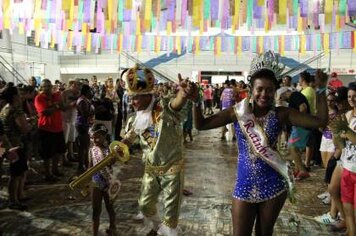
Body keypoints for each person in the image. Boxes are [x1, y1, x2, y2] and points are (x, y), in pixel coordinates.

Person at [192, 51, 328, 236]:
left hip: (273, 184)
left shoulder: (282, 114)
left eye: (269, 90)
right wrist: (195, 101)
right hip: (244, 184)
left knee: (265, 233)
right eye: (259, 89)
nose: (264, 94)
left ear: (275, 91)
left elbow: (320, 121)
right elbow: (201, 125)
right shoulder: (237, 112)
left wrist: (321, 90)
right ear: (251, 90)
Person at [120, 64, 195, 236]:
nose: (132, 102)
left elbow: (176, 104)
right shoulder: (135, 119)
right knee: (144, 205)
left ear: (147, 95)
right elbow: (127, 139)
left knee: (170, 217)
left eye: (135, 98)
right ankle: (156, 227)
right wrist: (117, 150)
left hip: (172, 171)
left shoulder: (165, 108)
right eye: (130, 98)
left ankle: (165, 230)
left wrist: (183, 94)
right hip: (150, 170)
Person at [330, 82, 356, 236]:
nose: (352, 99)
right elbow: (341, 145)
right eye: (349, 97)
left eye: (354, 96)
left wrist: (345, 130)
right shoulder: (347, 116)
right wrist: (335, 133)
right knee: (347, 209)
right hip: (347, 167)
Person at [0, 86, 32, 210]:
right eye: (19, 94)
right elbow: (24, 128)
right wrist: (31, 123)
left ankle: (19, 195)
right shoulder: (16, 110)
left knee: (19, 171)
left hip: (9, 144)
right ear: (14, 97)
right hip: (15, 144)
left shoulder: (5, 108)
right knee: (16, 174)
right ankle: (13, 200)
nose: (21, 96)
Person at [89, 123, 120, 236]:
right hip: (96, 183)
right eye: (92, 137)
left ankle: (113, 227)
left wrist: (115, 155)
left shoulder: (110, 150)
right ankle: (95, 233)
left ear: (104, 136)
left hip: (108, 182)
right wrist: (87, 183)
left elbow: (113, 162)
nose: (95, 139)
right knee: (95, 210)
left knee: (110, 207)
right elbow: (89, 168)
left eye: (97, 136)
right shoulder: (91, 151)